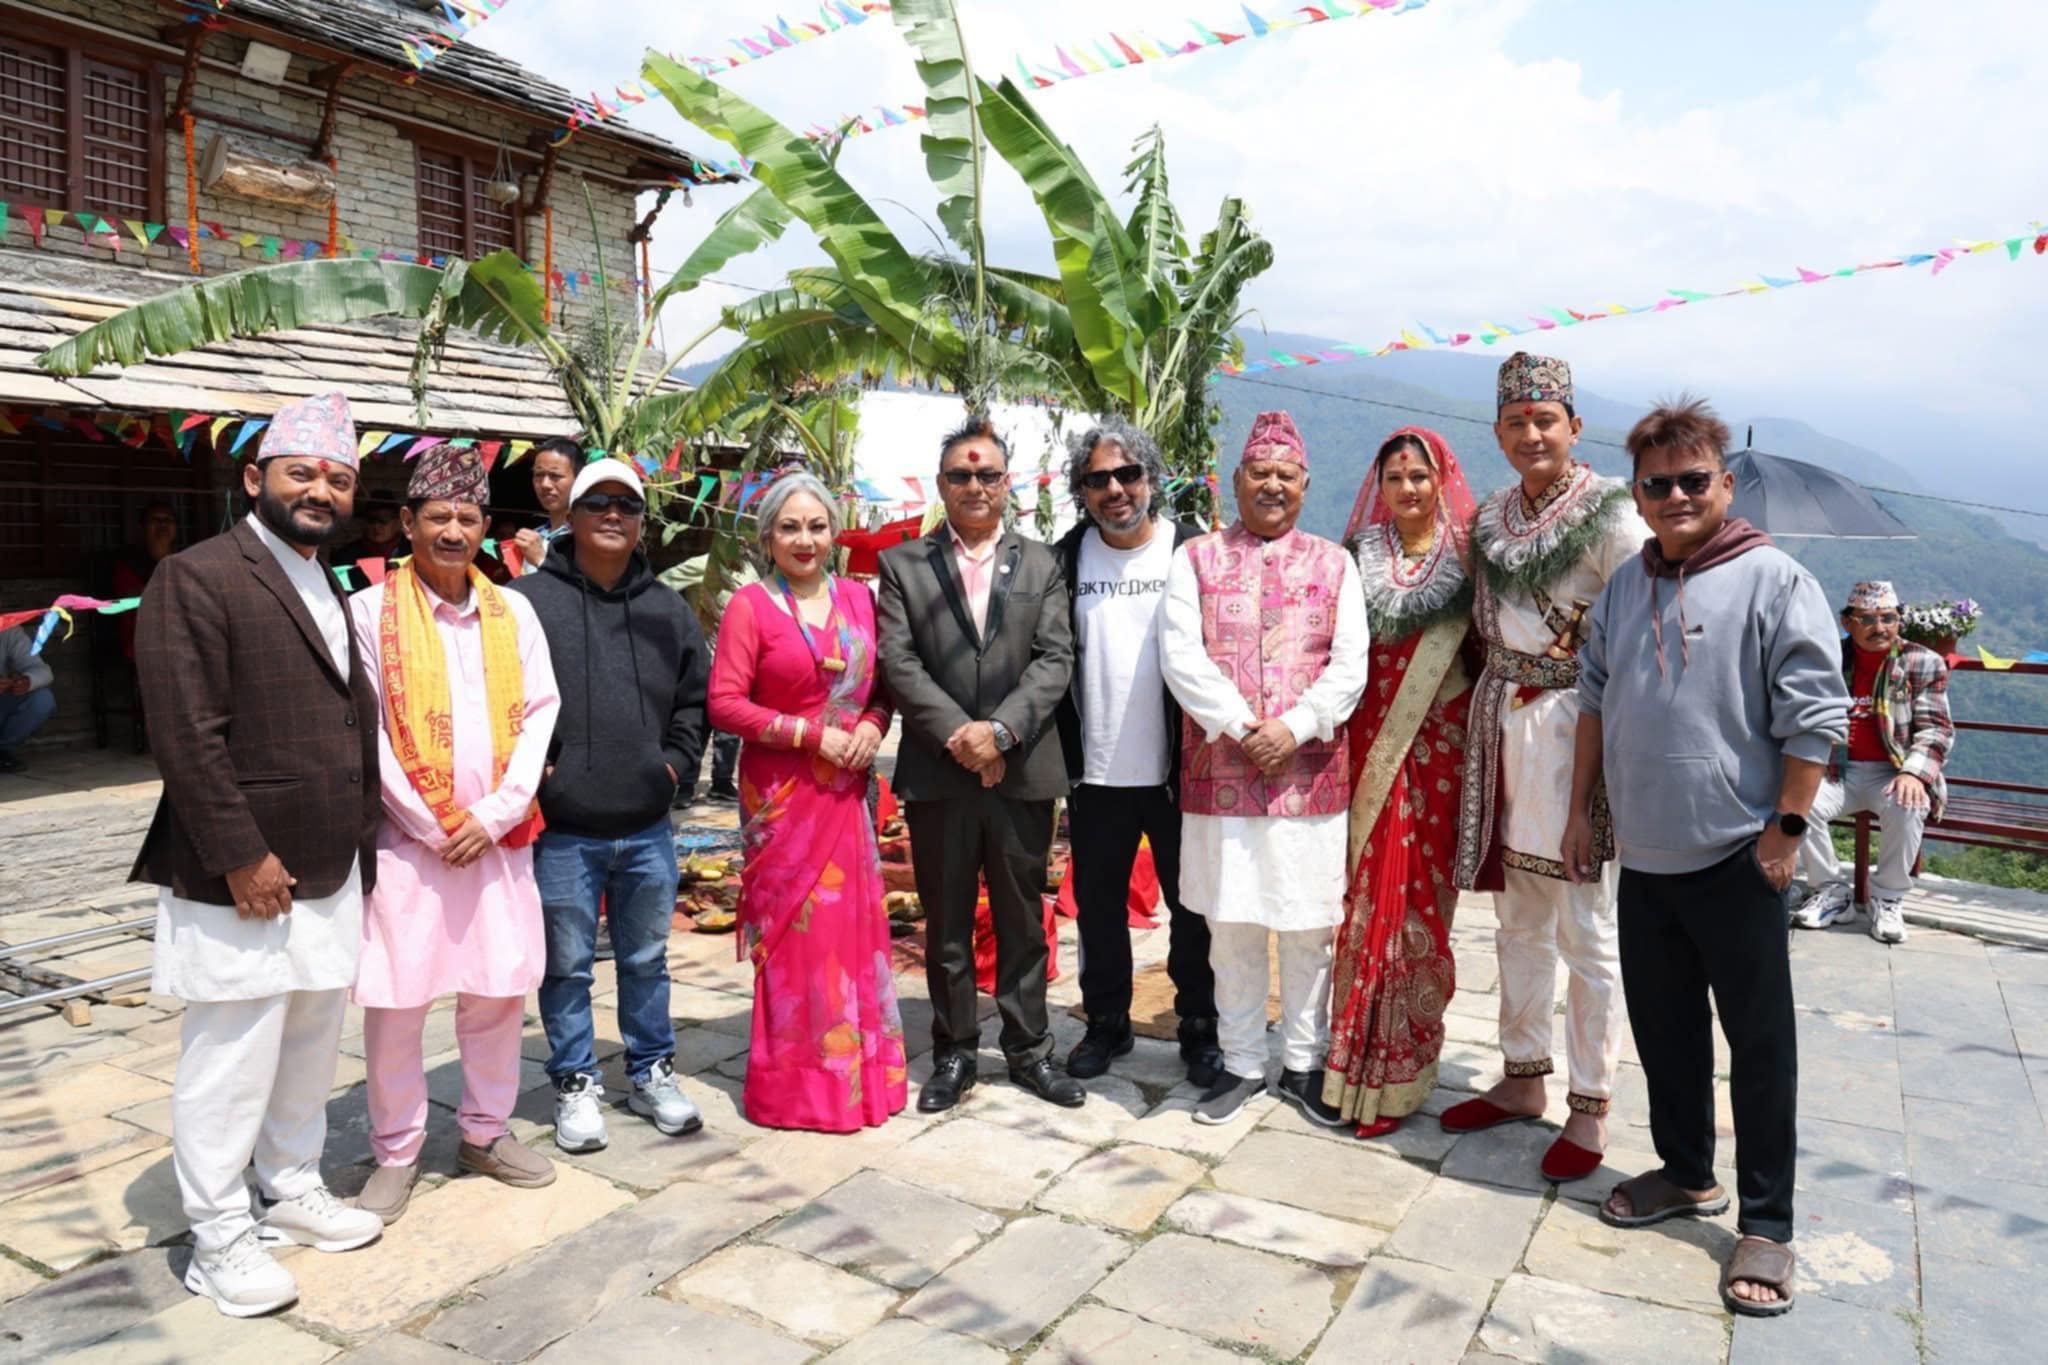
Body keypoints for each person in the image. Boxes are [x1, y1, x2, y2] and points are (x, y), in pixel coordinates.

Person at [1568, 397, 1847, 1317]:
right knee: (1667, 1032)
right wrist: (1582, 811)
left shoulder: (1775, 580)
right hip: (1646, 856)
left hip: (1739, 853)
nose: (1677, 496)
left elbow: (1815, 715)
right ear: (1638, 497)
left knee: (1759, 1045)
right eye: (1658, 485)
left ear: (1726, 484)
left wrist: (1787, 830)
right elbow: (1594, 697)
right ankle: (1687, 1171)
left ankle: (1767, 1221)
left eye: (1694, 480)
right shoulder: (1626, 586)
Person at [133, 391, 385, 1317]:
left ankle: (290, 1183)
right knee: (231, 1052)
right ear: (254, 478)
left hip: (329, 860)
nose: (320, 490)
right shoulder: (197, 576)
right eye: (301, 473)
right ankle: (217, 1235)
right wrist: (240, 850)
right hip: (245, 870)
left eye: (338, 479)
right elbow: (185, 731)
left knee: (312, 1034)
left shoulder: (329, 580)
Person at [1445, 352, 1650, 1182]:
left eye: (1545, 420)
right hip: (1502, 728)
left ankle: (1590, 1105)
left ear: (1574, 426)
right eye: (1516, 422)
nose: (1531, 434)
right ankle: (1522, 1075)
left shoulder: (1613, 515)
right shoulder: (1492, 517)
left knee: (1588, 931)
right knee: (1517, 919)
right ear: (1498, 432)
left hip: (1578, 732)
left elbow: (1641, 628)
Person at [348, 443, 561, 1223]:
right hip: (411, 843)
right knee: (397, 1000)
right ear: (407, 523)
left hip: (496, 841)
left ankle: (484, 1132)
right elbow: (367, 729)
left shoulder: (515, 612)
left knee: (498, 993)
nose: (452, 530)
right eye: (436, 516)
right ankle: (396, 1150)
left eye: (467, 517)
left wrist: (495, 814)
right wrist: (432, 820)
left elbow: (540, 713)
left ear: (484, 526)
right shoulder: (368, 612)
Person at [1159, 411, 1371, 1127]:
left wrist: (1296, 726)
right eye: (1260, 473)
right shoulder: (1196, 559)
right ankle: (1243, 1062)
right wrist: (1239, 724)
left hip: (1310, 779)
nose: (1272, 485)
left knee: (1310, 926)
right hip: (1221, 770)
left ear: (1305, 484)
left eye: (1285, 475)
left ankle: (1304, 1063)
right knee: (1233, 926)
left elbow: (1351, 664)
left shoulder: (1335, 563)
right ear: (1237, 480)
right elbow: (1180, 655)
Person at [876, 416, 1082, 1113]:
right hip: (940, 772)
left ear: (1007, 483)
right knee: (948, 921)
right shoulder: (904, 565)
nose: (974, 485)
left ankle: (1029, 1049)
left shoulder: (1043, 563)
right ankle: (955, 1051)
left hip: (1023, 770)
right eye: (961, 475)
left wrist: (1000, 734)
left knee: (1023, 918)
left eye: (987, 474)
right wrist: (962, 738)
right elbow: (899, 661)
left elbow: (1055, 658)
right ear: (941, 485)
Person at [510, 457, 710, 1151]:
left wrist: (674, 768)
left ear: (642, 522)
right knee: (566, 965)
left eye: (628, 504)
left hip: (647, 822)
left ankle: (651, 1070)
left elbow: (694, 701)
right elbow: (500, 697)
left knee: (646, 959)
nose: (613, 515)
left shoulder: (667, 609)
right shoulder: (525, 603)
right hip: (564, 827)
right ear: (571, 514)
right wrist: (540, 775)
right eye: (598, 502)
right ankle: (574, 1080)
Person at [708, 471, 908, 1131]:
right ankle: (794, 1092)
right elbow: (724, 702)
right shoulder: (751, 607)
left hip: (846, 794)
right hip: (783, 799)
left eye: (817, 526)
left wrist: (873, 726)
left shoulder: (858, 599)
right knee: (795, 942)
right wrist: (809, 734)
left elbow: (884, 687)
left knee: (849, 939)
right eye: (790, 527)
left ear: (833, 533)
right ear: (768, 536)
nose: (805, 539)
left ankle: (857, 1084)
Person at [1052, 418, 1221, 1087]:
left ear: (1152, 478)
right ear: (1082, 491)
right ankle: (1106, 1021)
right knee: (1098, 908)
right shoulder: (1064, 561)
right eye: (1098, 479)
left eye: (1128, 474)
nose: (1115, 489)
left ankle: (1199, 1023)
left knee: (1193, 906)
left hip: (1181, 771)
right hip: (1093, 771)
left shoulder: (1192, 552)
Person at [1325, 428, 1477, 1138]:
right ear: (1379, 486)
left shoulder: (1470, 560)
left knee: (1416, 913)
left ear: (1441, 479)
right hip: (1368, 755)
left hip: (1438, 760)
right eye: (1395, 477)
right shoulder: (1358, 556)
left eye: (1420, 476)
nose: (1409, 488)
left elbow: (1490, 655)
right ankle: (1348, 1066)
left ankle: (1402, 1072)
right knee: (1361, 911)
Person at [1792, 581, 1953, 944]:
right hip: (1837, 768)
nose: (1879, 627)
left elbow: (1937, 729)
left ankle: (1888, 897)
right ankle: (1831, 892)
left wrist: (1914, 773)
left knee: (1909, 803)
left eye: (1888, 618)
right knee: (1796, 802)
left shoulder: (1922, 661)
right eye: (1867, 619)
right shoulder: (1829, 659)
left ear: (1899, 621)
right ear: (1847, 622)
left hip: (1894, 769)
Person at [112, 501, 179, 660]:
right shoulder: (129, 564)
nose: (162, 525)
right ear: (143, 528)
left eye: (167, 520)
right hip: (143, 646)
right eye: (155, 520)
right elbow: (128, 600)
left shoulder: (184, 559)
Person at [512, 437, 581, 573]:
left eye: (555, 476)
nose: (545, 484)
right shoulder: (534, 536)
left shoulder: (587, 537)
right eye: (539, 475)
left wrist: (541, 560)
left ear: (579, 479)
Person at [0, 621, 56, 773]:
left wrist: (26, 681)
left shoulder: (6, 627)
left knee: (42, 699)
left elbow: (42, 670)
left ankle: (2, 751)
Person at [333, 496, 405, 585]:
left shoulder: (412, 552)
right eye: (371, 520)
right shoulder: (346, 555)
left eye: (384, 520)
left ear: (398, 523)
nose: (376, 526)